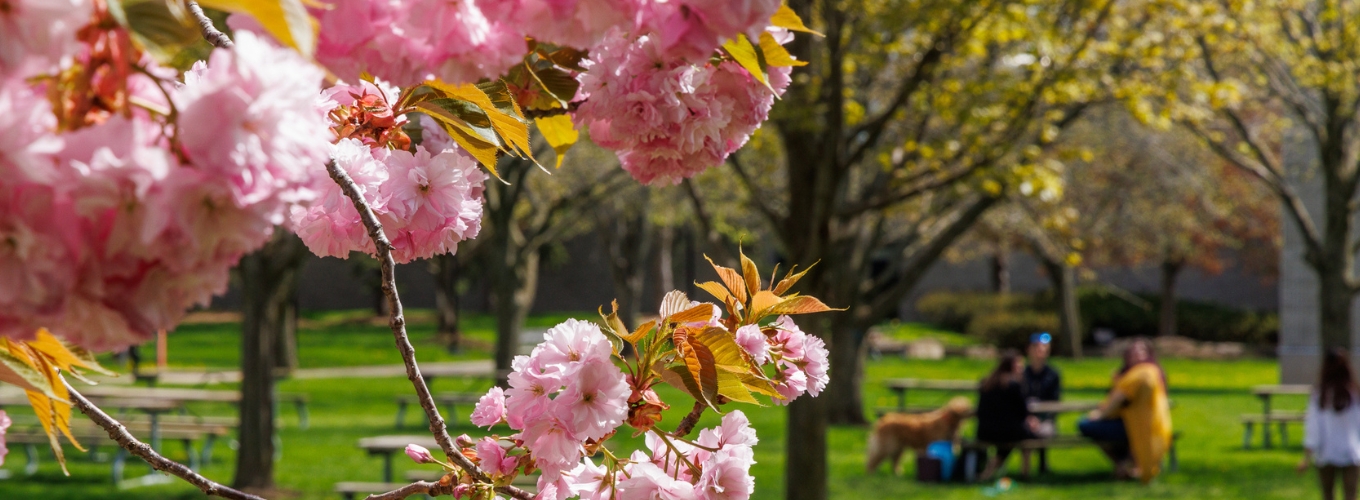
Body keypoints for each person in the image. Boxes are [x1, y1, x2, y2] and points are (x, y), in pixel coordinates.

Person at [1078, 338, 1173, 483]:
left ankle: (1124, 464)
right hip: (1128, 421)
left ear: (1149, 354)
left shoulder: (1145, 373)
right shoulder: (1126, 374)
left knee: (1086, 425)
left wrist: (1101, 415)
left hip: (1144, 424)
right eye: (1133, 351)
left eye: (1141, 351)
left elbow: (1118, 400)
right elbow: (1113, 397)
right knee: (1094, 427)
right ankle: (1123, 464)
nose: (1137, 354)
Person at [1298, 348, 1360, 500]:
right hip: (1351, 451)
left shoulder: (1320, 395)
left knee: (1327, 495)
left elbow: (1313, 428)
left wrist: (1306, 457)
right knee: (1350, 495)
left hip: (1326, 452)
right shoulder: (1354, 394)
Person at [976, 350, 1040, 480]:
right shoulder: (1013, 385)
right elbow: (1022, 411)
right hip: (1006, 431)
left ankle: (987, 473)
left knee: (1012, 436)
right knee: (1030, 436)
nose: (1022, 367)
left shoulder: (986, 382)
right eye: (1019, 364)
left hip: (984, 431)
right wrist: (1030, 420)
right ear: (1011, 365)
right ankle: (1025, 472)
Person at [1023, 333, 1061, 472]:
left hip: (1046, 419)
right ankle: (1026, 470)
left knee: (1043, 431)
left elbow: (1055, 402)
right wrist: (1028, 417)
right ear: (1029, 350)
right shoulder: (1023, 373)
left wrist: (1040, 418)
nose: (1041, 351)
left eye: (1044, 348)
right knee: (1023, 429)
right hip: (1025, 418)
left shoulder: (1053, 374)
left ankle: (1042, 465)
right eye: (1037, 347)